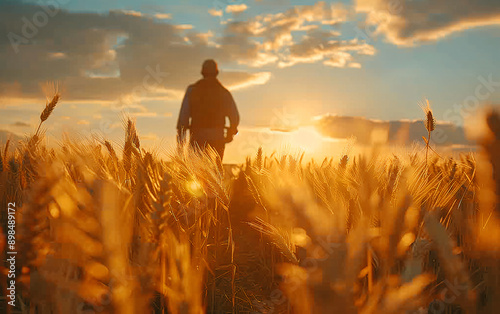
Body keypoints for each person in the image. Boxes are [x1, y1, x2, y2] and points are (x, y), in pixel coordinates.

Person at [176, 59, 239, 160]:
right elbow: (234, 116)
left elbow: (184, 115)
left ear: (202, 72)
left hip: (197, 138)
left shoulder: (192, 90)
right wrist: (231, 132)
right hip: (218, 139)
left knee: (196, 173)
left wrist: (181, 138)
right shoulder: (224, 92)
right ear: (216, 73)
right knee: (215, 172)